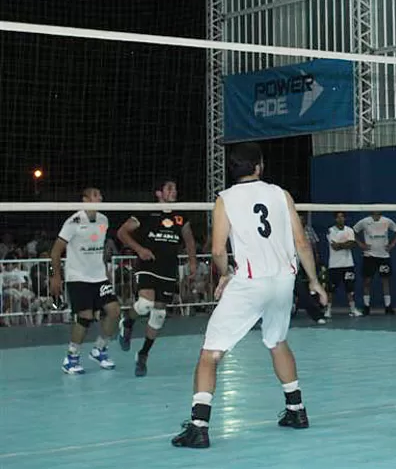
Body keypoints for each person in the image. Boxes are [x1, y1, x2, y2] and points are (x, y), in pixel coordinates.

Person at [171, 142, 327, 449]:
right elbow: (302, 242)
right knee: (277, 340)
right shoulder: (281, 195)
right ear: (259, 166)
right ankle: (296, 410)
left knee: (210, 353)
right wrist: (314, 282)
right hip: (283, 280)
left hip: (251, 282)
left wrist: (226, 274)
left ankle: (199, 427)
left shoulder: (225, 199)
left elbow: (217, 250)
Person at [117, 179, 198, 376]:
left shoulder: (181, 215)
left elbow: (189, 240)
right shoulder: (147, 212)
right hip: (148, 263)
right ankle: (127, 321)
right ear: (159, 193)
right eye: (169, 188)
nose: (174, 191)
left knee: (159, 314)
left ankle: (143, 354)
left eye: (175, 188)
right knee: (145, 304)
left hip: (169, 268)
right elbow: (121, 232)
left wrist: (193, 262)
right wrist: (139, 249)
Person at [50, 188, 121, 374]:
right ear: (85, 199)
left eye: (100, 194)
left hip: (99, 277)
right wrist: (56, 276)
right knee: (85, 317)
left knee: (114, 311)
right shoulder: (73, 222)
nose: (101, 197)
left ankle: (100, 349)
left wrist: (105, 272)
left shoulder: (104, 220)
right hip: (78, 277)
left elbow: (98, 249)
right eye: (96, 195)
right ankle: (71, 358)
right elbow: (56, 251)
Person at [353, 210, 396, 315]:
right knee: (367, 281)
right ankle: (366, 307)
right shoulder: (364, 221)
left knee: (385, 281)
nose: (377, 212)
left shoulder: (387, 221)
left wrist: (392, 244)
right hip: (369, 256)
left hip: (384, 256)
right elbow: (353, 231)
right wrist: (360, 244)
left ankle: (388, 307)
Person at [325, 211, 362, 318]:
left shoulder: (349, 230)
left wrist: (341, 244)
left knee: (350, 289)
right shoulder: (330, 230)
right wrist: (345, 244)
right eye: (338, 217)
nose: (340, 219)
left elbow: (352, 244)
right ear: (335, 219)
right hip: (334, 265)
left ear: (345, 219)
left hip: (348, 264)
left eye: (342, 217)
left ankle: (353, 309)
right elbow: (334, 247)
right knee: (331, 289)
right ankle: (328, 310)